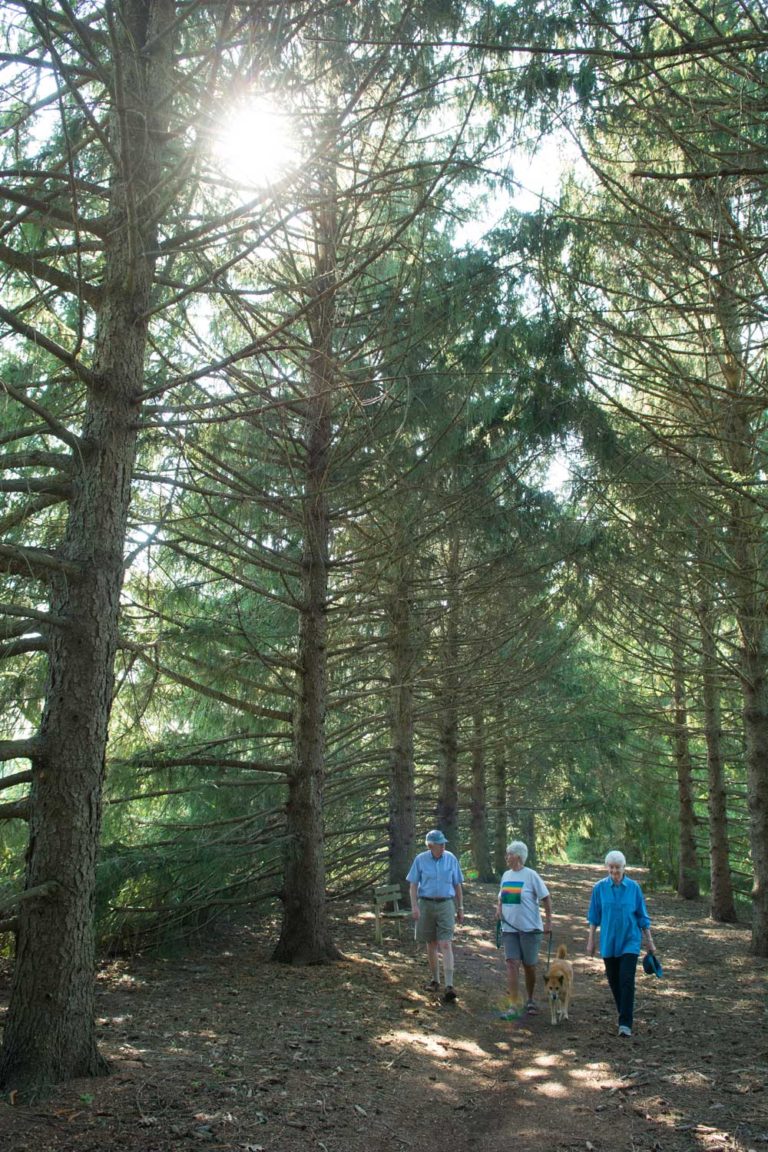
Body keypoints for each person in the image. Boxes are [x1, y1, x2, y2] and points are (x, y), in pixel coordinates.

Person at [586, 850, 657, 1038]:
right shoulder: (599, 888)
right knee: (613, 980)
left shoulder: (634, 888)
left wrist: (649, 941)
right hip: (609, 941)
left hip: (630, 941)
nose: (614, 871)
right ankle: (624, 1010)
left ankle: (625, 1023)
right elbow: (594, 917)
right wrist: (591, 940)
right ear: (606, 868)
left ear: (624, 868)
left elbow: (642, 916)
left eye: (617, 868)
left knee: (626, 979)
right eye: (611, 868)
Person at [407, 829, 464, 1003]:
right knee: (431, 943)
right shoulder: (420, 860)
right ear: (431, 846)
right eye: (440, 843)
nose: (443, 845)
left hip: (446, 903)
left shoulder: (451, 858)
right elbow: (413, 885)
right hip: (426, 903)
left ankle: (449, 985)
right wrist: (415, 906)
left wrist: (460, 907)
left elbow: (457, 885)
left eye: (444, 842)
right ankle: (435, 980)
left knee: (445, 943)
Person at [496, 840, 552, 1014]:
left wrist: (548, 921)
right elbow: (500, 897)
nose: (506, 857)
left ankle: (530, 999)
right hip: (509, 929)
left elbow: (546, 898)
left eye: (509, 854)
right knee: (512, 963)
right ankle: (513, 1004)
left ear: (518, 856)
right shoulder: (506, 875)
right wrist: (498, 909)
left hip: (530, 930)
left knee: (529, 966)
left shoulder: (531, 875)